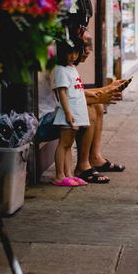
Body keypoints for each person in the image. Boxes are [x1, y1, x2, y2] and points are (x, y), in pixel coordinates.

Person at [73, 30, 130, 184]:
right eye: (84, 45)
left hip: (61, 110)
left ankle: (94, 157)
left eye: (89, 46)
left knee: (97, 105)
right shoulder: (61, 68)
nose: (88, 51)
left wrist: (108, 89)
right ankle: (82, 166)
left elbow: (76, 91)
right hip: (53, 114)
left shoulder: (70, 67)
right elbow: (68, 96)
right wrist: (103, 92)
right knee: (90, 108)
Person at [51, 39, 90, 187]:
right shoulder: (60, 70)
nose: (73, 56)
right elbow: (62, 93)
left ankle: (68, 174)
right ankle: (59, 175)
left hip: (76, 113)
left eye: (75, 52)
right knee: (64, 144)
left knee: (69, 145)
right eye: (69, 52)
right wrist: (68, 113)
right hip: (69, 113)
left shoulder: (72, 68)